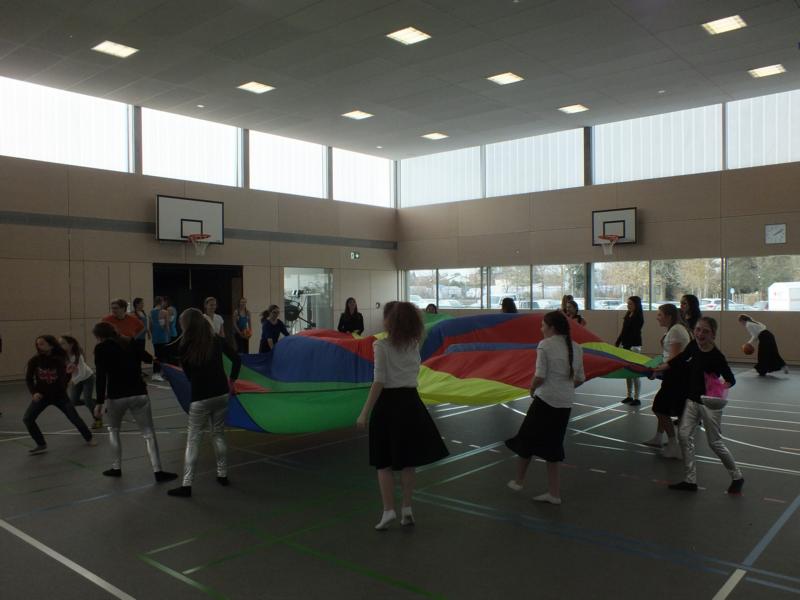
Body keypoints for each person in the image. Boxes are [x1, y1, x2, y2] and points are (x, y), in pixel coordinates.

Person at [356, 302, 448, 529]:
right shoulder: (414, 344)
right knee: (408, 461)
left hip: (389, 405)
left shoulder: (381, 345)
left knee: (383, 462)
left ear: (390, 321)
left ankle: (388, 510)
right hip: (411, 403)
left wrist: (364, 412)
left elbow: (379, 381)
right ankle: (407, 507)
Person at [653, 317, 744, 494]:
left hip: (709, 404)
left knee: (715, 443)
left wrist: (720, 388)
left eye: (705, 331)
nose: (700, 334)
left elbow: (730, 379)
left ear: (713, 335)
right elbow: (680, 359)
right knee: (684, 435)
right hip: (692, 400)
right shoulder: (694, 345)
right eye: (698, 329)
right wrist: (661, 368)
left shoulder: (717, 357)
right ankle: (690, 480)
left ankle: (737, 476)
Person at [506, 311, 585, 504]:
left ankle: (519, 481)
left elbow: (540, 375)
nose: (541, 329)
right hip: (565, 403)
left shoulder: (545, 345)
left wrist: (532, 388)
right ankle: (554, 493)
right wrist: (565, 388)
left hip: (545, 400)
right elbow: (580, 378)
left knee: (526, 439)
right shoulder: (577, 347)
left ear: (552, 327)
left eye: (543, 325)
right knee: (553, 446)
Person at [168, 308, 241, 498]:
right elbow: (236, 359)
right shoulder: (216, 340)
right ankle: (222, 474)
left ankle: (187, 484)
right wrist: (232, 381)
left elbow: (188, 375)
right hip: (221, 393)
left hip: (200, 397)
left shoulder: (185, 345)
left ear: (186, 324)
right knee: (218, 434)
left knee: (193, 440)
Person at [92, 321, 175, 481]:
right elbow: (148, 358)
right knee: (149, 434)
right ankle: (158, 471)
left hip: (116, 396)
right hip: (138, 393)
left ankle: (116, 467)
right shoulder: (129, 341)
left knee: (114, 431)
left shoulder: (101, 348)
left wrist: (100, 401)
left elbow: (101, 376)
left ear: (99, 336)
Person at [23, 335, 96, 454]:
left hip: (60, 396)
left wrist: (68, 374)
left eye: (42, 343)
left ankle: (89, 438)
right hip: (42, 396)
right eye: (37, 344)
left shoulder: (60, 359)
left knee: (74, 417)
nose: (39, 346)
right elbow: (28, 379)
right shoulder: (34, 360)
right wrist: (34, 392)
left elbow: (64, 381)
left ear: (51, 345)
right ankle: (41, 444)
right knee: (27, 419)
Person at [645, 304, 692, 458]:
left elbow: (674, 360)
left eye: (660, 314)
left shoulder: (676, 330)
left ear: (668, 316)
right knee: (664, 407)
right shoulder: (674, 329)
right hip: (674, 375)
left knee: (659, 408)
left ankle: (673, 444)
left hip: (677, 377)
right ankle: (659, 437)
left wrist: (657, 370)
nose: (657, 317)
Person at [60, 335, 102, 429]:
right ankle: (96, 403)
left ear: (71, 345)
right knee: (74, 401)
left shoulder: (77, 356)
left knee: (87, 401)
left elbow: (82, 373)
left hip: (87, 378)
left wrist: (71, 382)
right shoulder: (62, 356)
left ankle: (98, 419)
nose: (60, 345)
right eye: (60, 344)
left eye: (63, 343)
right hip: (76, 379)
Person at [615, 296, 644, 406]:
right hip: (626, 346)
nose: (628, 306)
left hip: (634, 346)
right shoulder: (628, 315)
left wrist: (629, 346)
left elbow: (634, 333)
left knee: (635, 373)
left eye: (630, 304)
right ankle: (629, 395)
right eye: (628, 304)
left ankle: (637, 398)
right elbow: (623, 331)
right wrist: (618, 342)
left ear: (636, 305)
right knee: (628, 373)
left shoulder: (638, 317)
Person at [150, 296, 170, 382]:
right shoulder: (164, 312)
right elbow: (166, 326)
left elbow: (150, 325)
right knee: (163, 356)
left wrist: (153, 334)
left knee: (157, 355)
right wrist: (168, 335)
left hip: (155, 336)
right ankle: (163, 373)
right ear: (161, 302)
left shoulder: (151, 312)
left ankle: (155, 373)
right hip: (162, 336)